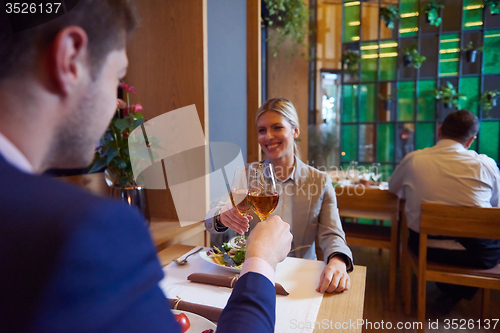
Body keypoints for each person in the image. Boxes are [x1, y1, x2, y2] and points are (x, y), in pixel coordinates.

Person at [0, 1, 292, 332]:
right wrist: (260, 262)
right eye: (117, 77)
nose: (115, 104)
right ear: (70, 58)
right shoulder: (88, 230)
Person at [206, 98, 353, 293]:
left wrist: (338, 261)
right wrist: (222, 218)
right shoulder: (246, 174)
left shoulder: (320, 181)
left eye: (277, 128)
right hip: (253, 275)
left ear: (295, 131)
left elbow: (332, 234)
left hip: (299, 278)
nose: (268, 136)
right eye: (262, 130)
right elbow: (211, 218)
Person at [389, 110, 500, 297]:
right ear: (471, 140)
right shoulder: (485, 165)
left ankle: (449, 291)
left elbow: (393, 189)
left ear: (439, 130)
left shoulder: (414, 160)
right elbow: (496, 207)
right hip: (475, 255)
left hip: (424, 249)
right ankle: (454, 292)